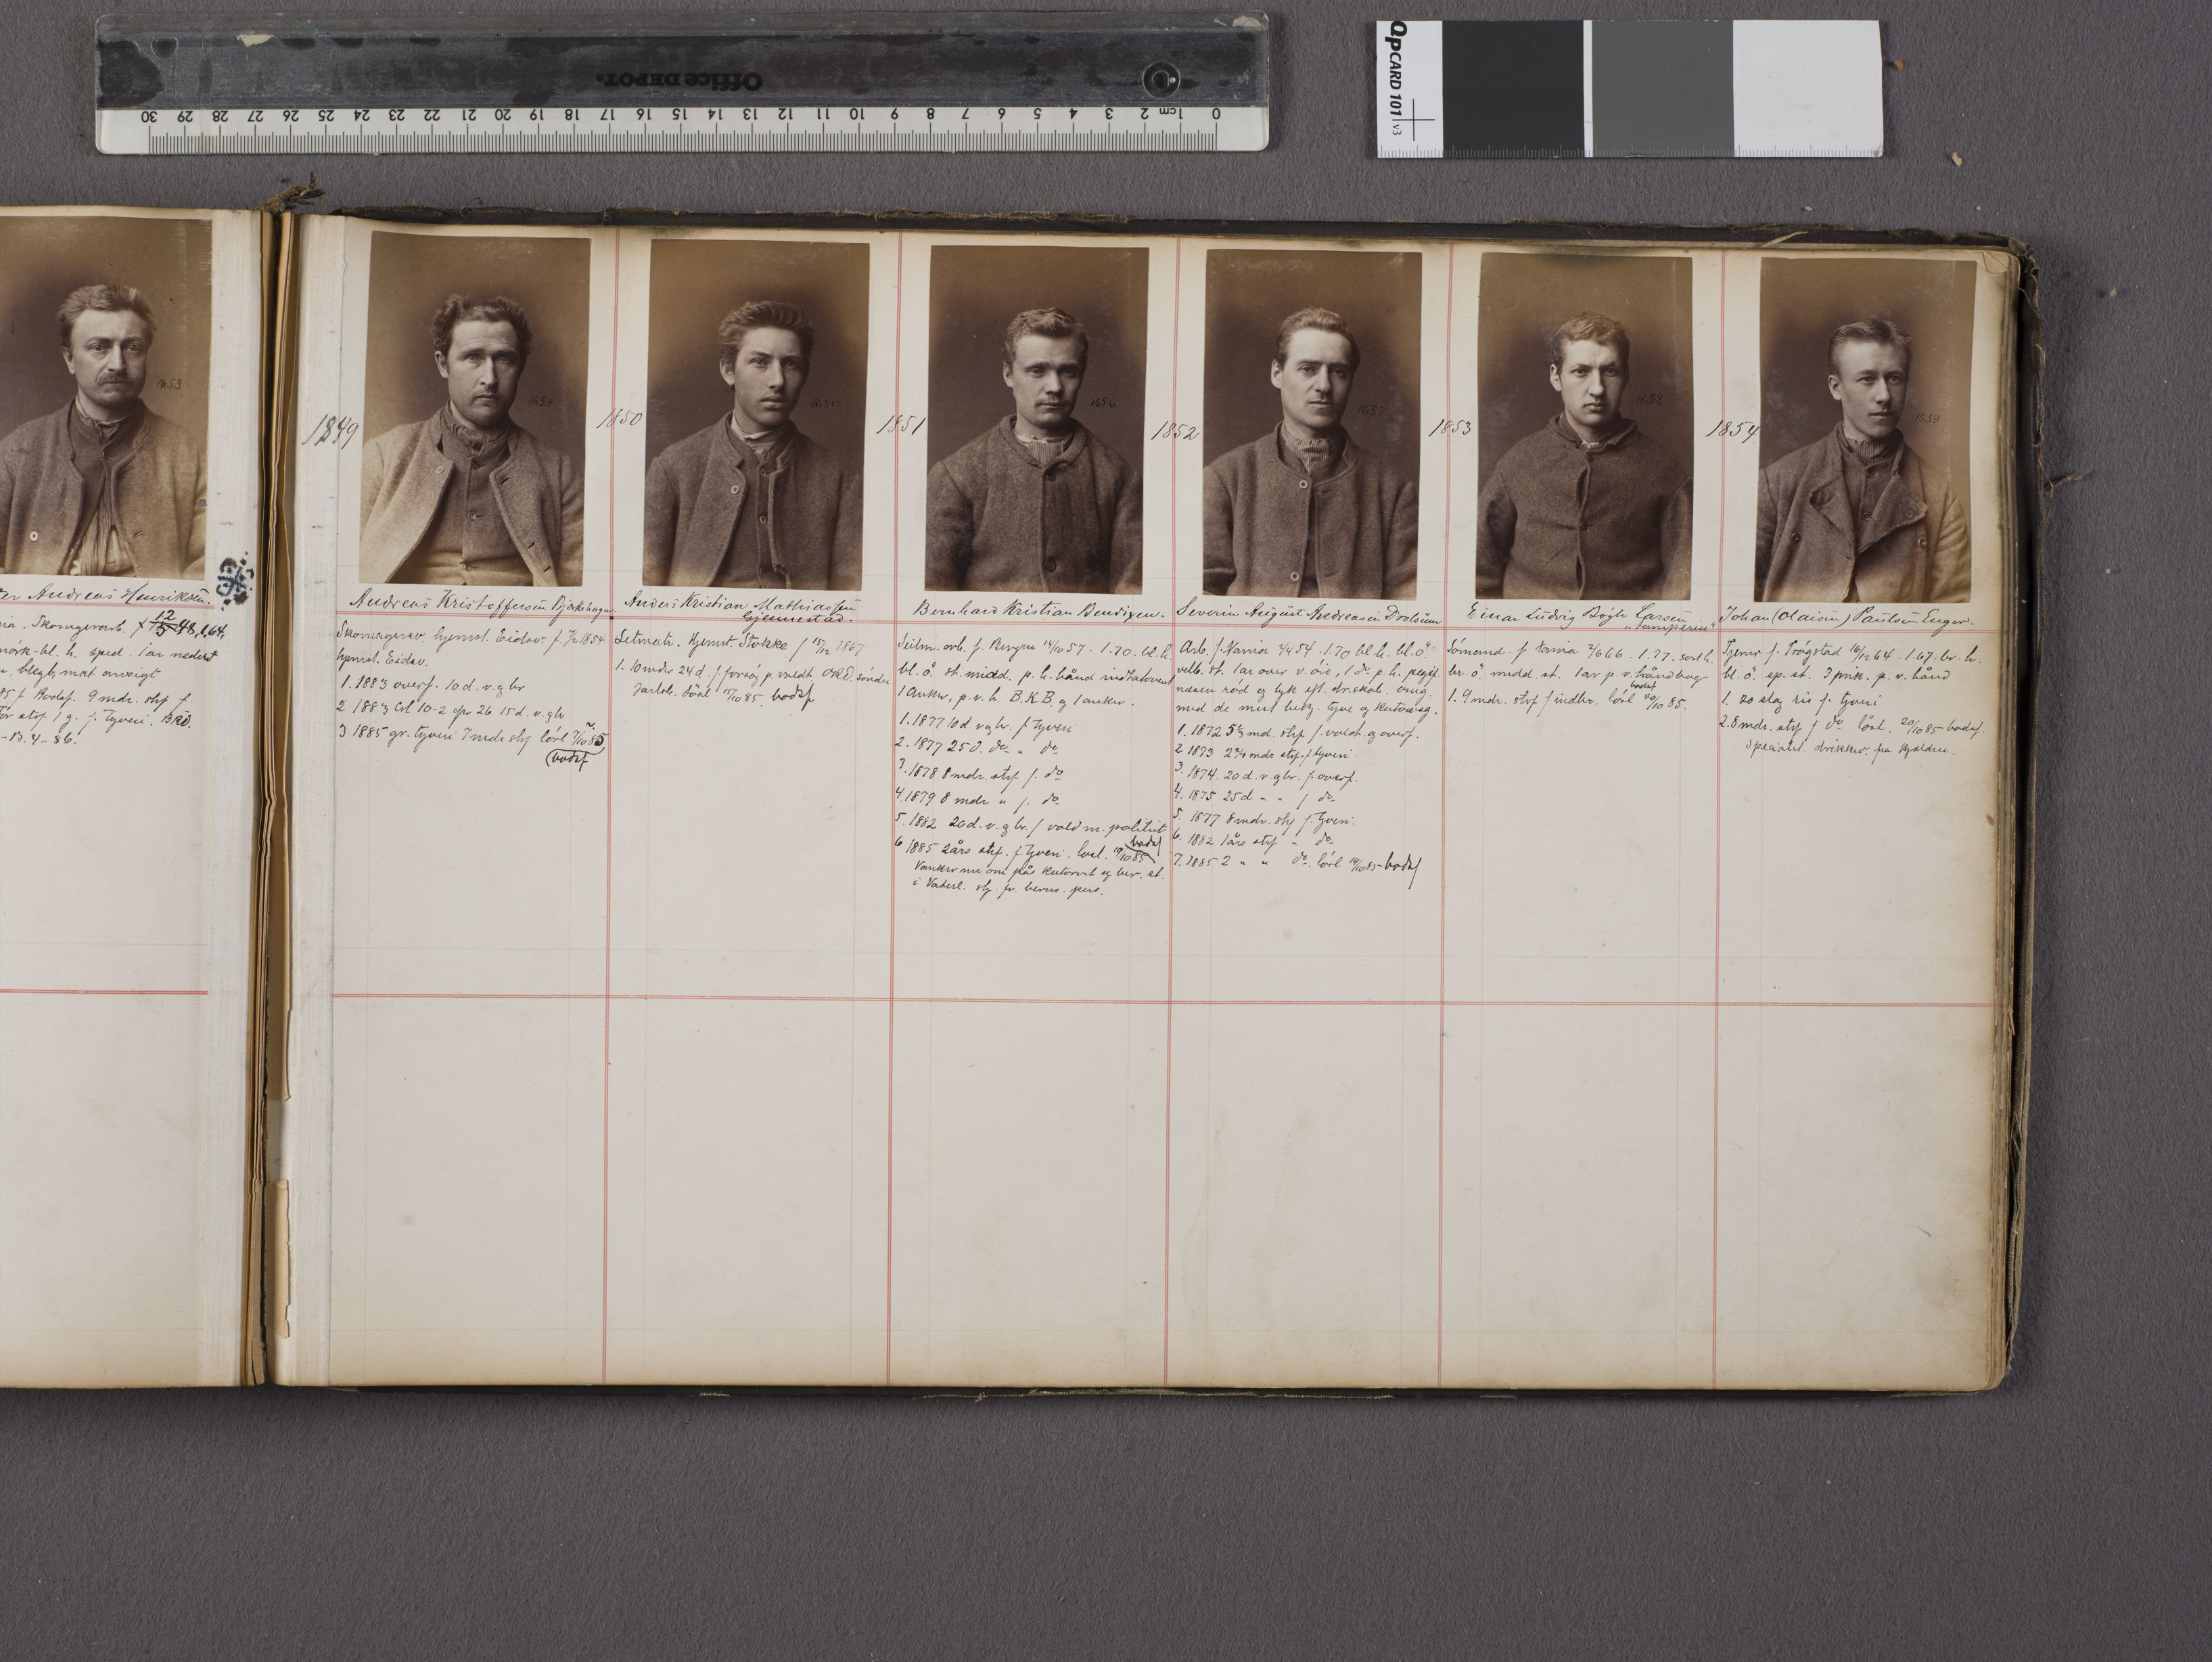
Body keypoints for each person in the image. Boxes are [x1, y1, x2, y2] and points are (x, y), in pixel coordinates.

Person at [359, 294, 582, 586]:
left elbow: (577, 588)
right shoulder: (383, 456)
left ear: (521, 367)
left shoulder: (559, 472)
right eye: (473, 357)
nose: (490, 378)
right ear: (444, 365)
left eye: (504, 359)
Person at [643, 299, 860, 588]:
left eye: (791, 364)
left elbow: (851, 598)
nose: (778, 381)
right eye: (760, 362)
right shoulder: (673, 468)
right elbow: (644, 592)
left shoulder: (838, 477)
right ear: (729, 371)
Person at [1202, 306, 1416, 599]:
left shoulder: (1393, 491)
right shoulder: (1225, 479)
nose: (1324, 386)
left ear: (1351, 381)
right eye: (1308, 369)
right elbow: (1200, 594)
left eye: (1338, 372)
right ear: (1277, 373)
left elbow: (1409, 601)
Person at [1474, 311, 1690, 600]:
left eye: (1610, 371)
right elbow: (1478, 576)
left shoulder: (1664, 470)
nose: (1598, 388)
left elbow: (1684, 585)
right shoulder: (1517, 463)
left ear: (1626, 377)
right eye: (1581, 371)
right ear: (1556, 377)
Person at [925, 306, 1140, 594]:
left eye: (1068, 371)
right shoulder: (957, 475)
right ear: (1008, 374)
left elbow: (1132, 597)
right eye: (1037, 371)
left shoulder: (1118, 477)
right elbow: (932, 596)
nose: (1055, 387)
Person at [1755, 317, 1968, 603]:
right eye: (1867, 379)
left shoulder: (1939, 496)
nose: (1884, 396)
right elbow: (1738, 598)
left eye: (1894, 378)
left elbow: (1953, 608)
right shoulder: (1777, 483)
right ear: (1836, 387)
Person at [0, 283, 206, 578]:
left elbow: (212, 563)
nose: (118, 364)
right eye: (99, 347)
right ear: (70, 359)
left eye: (133, 348)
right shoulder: (17, 452)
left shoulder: (188, 455)